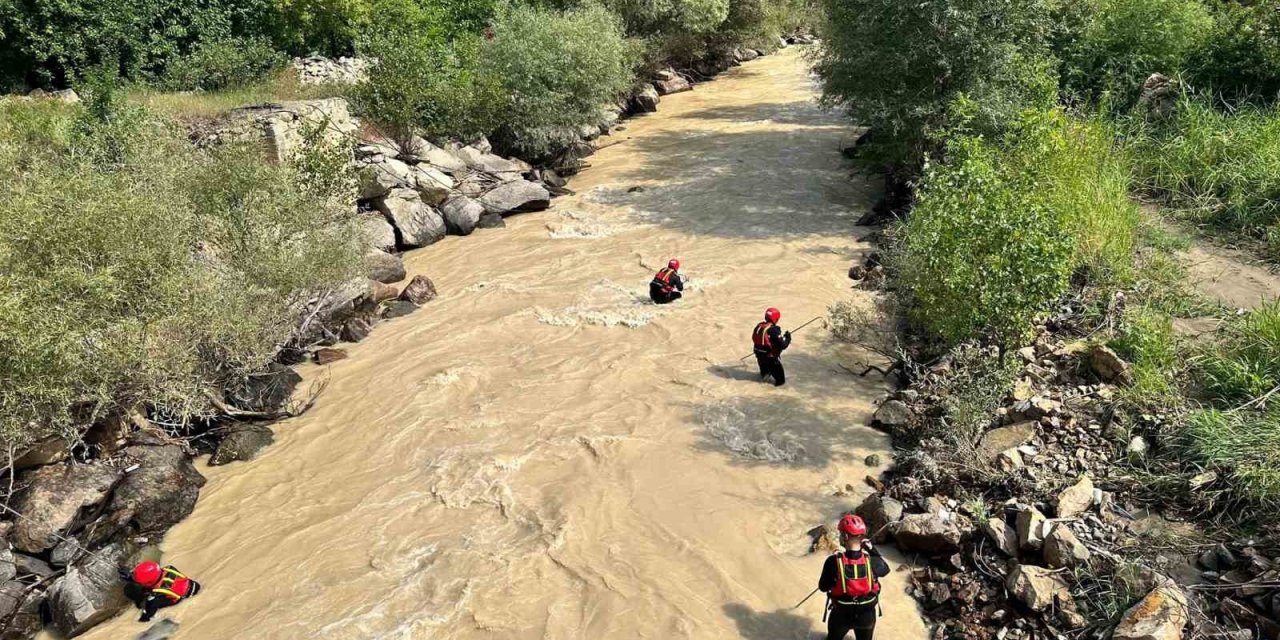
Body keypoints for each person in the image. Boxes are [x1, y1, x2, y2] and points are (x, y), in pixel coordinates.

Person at [818, 514, 888, 640]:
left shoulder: (833, 561)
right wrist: (873, 550)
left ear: (845, 536)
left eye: (840, 534)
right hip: (867, 617)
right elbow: (885, 569)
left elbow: (823, 587)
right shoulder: (872, 561)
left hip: (841, 615)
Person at [124, 561, 201, 622]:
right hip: (192, 585)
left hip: (177, 598)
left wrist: (143, 618)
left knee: (140, 601)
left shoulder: (156, 596)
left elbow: (148, 615)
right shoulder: (169, 568)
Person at [752, 307, 791, 386]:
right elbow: (783, 345)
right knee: (781, 382)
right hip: (771, 360)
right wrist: (788, 338)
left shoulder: (759, 326)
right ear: (776, 319)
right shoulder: (774, 330)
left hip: (760, 358)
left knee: (764, 378)